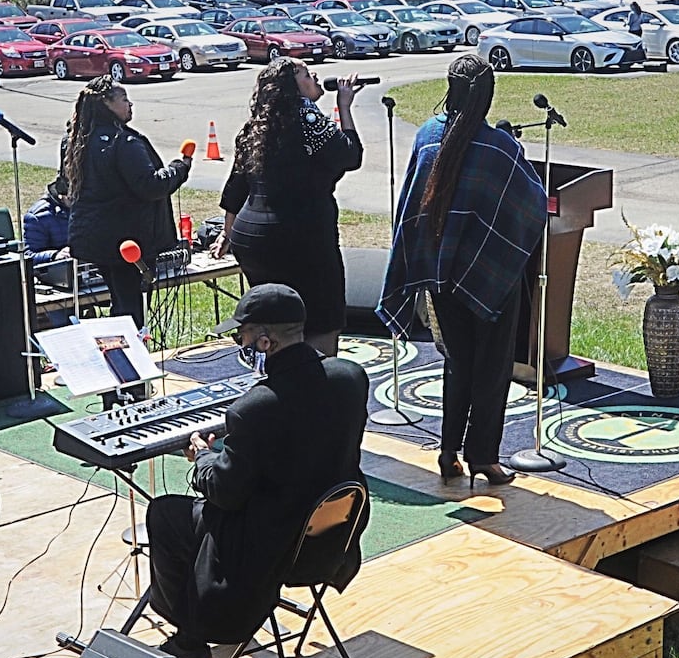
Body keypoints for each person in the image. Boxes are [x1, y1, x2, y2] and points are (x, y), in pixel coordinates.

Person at [143, 284, 369, 658]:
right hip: (329, 537)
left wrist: (203, 460)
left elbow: (226, 494)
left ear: (265, 341)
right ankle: (200, 628)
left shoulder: (254, 409)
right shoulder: (351, 378)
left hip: (270, 545)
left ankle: (191, 636)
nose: (239, 343)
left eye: (241, 335)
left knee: (165, 515)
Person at [377, 53, 548, 487]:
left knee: (456, 361)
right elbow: (533, 207)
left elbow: (413, 205)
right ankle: (484, 458)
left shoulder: (427, 135)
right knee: (491, 366)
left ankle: (449, 450)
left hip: (441, 273)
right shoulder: (500, 147)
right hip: (490, 276)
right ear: (487, 97)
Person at [215, 59, 363, 357]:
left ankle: (271, 376)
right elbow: (350, 155)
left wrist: (227, 232)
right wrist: (344, 106)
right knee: (322, 318)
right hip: (298, 237)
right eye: (308, 74)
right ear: (294, 88)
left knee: (271, 317)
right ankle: (316, 384)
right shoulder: (307, 116)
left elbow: (236, 187)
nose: (316, 76)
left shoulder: (256, 127)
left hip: (253, 238)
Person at [60, 75, 190, 329]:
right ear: (106, 104)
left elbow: (66, 185)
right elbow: (151, 185)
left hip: (92, 238)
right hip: (125, 241)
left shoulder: (74, 140)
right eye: (124, 99)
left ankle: (119, 355)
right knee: (130, 307)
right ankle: (130, 361)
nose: (131, 105)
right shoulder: (124, 142)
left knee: (120, 301)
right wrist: (180, 168)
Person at [23, 165, 74, 288]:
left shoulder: (87, 207)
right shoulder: (38, 217)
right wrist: (55, 255)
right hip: (57, 282)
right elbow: (28, 256)